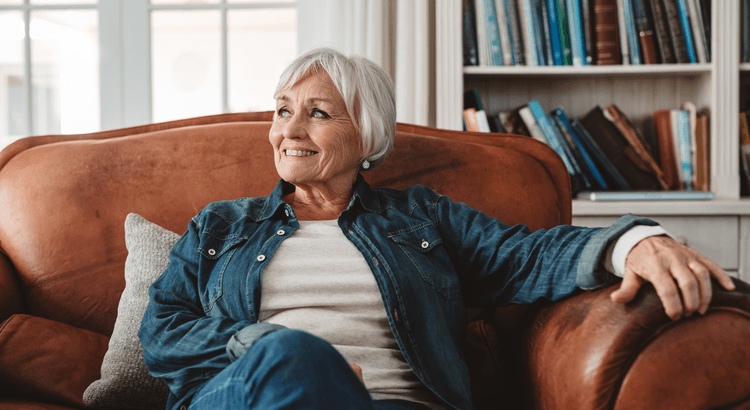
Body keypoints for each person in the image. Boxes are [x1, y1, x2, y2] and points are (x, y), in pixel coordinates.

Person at [138, 48, 736, 410]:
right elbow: (162, 332)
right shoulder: (222, 225)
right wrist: (262, 347)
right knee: (293, 358)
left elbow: (527, 254)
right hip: (250, 396)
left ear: (366, 135)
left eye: (317, 113)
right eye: (282, 109)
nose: (288, 129)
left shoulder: (420, 219)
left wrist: (636, 241)